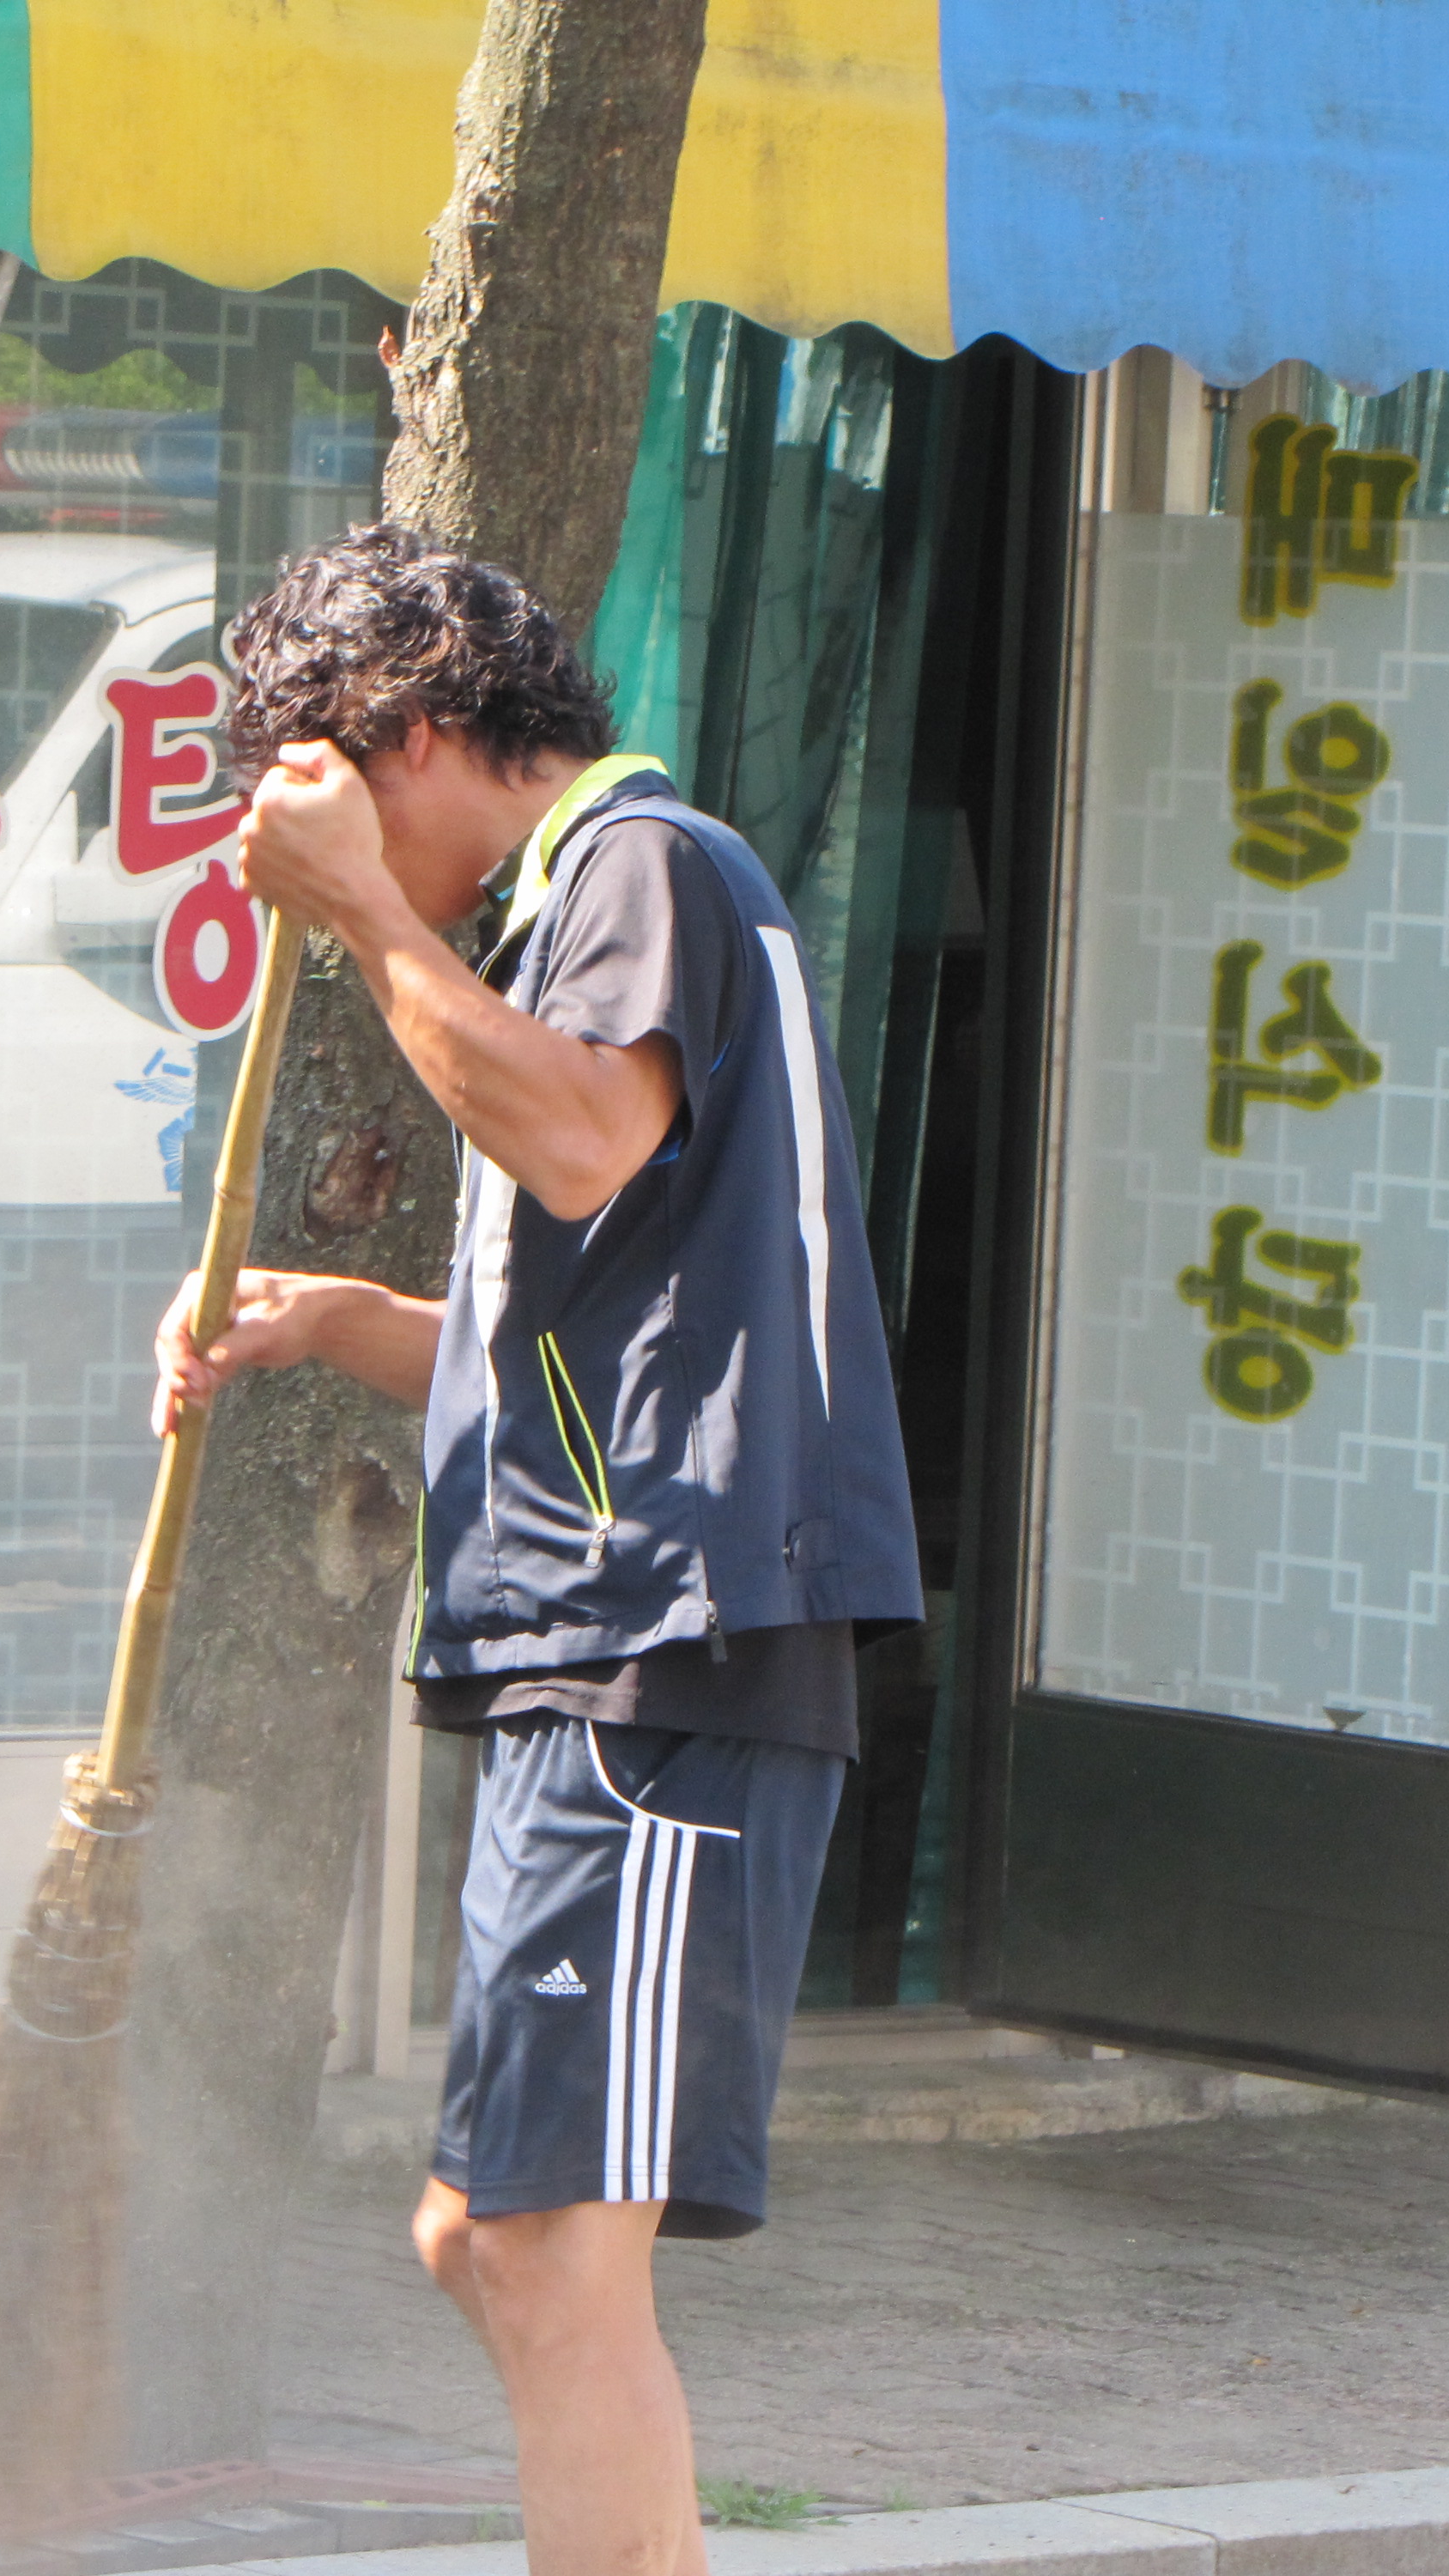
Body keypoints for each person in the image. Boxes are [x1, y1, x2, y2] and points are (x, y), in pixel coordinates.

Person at [157, 526, 919, 2576]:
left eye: (323, 781)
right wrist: (330, 1320)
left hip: (672, 1648)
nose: (309, 840)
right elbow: (592, 1338)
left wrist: (352, 912)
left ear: (405, 733)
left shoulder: (643, 864)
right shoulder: (570, 916)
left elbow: (580, 1142)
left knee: (546, 2252)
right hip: (596, 1653)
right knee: (478, 2236)